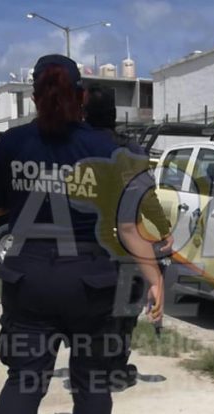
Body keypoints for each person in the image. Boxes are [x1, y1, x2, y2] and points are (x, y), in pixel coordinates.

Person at [0, 55, 164, 414]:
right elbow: (129, 226)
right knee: (92, 380)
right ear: (81, 95)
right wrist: (155, 277)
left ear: (35, 95)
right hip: (91, 282)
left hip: (29, 280)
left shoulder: (11, 145)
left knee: (24, 379)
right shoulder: (104, 149)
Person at [83, 84, 174, 390]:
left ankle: (91, 364)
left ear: (84, 112)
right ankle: (115, 367)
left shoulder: (72, 146)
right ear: (115, 114)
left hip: (81, 246)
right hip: (124, 245)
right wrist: (163, 229)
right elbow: (147, 198)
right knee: (124, 309)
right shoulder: (131, 151)